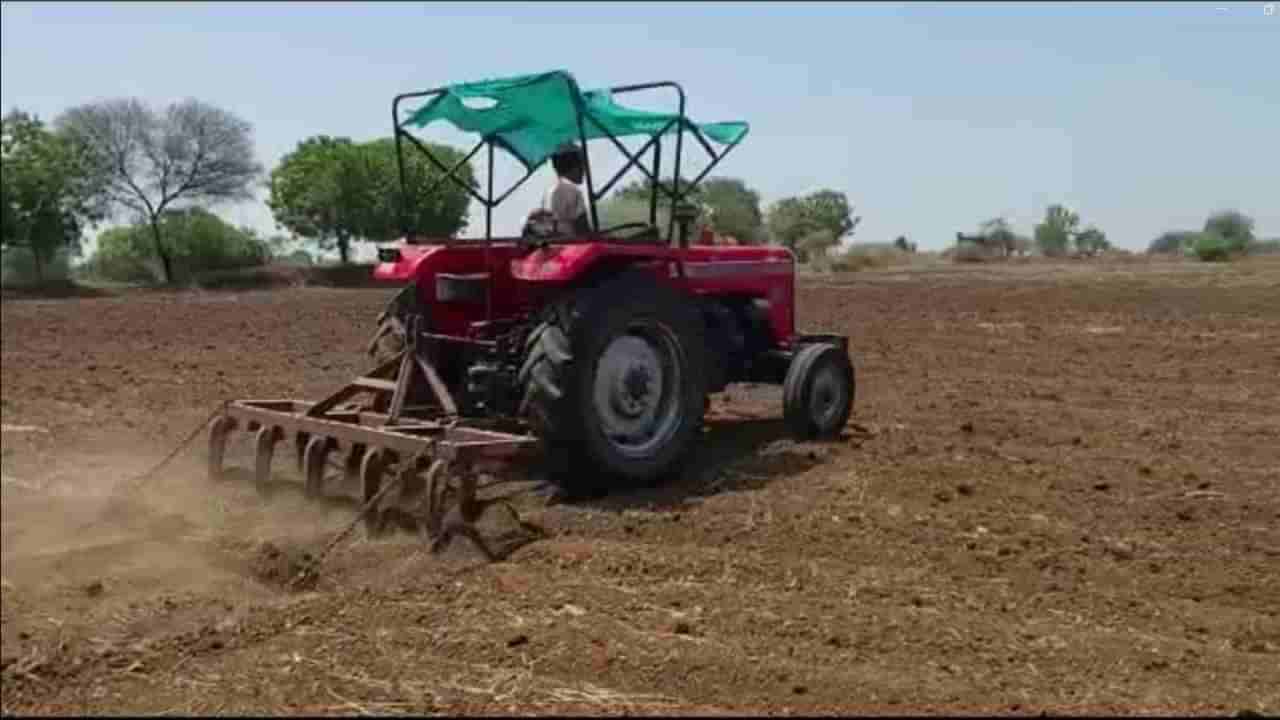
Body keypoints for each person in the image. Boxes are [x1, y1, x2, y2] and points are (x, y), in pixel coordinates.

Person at [527, 142, 592, 237]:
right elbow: (583, 231)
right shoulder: (573, 191)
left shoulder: (548, 191)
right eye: (582, 163)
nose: (584, 169)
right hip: (571, 245)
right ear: (574, 165)